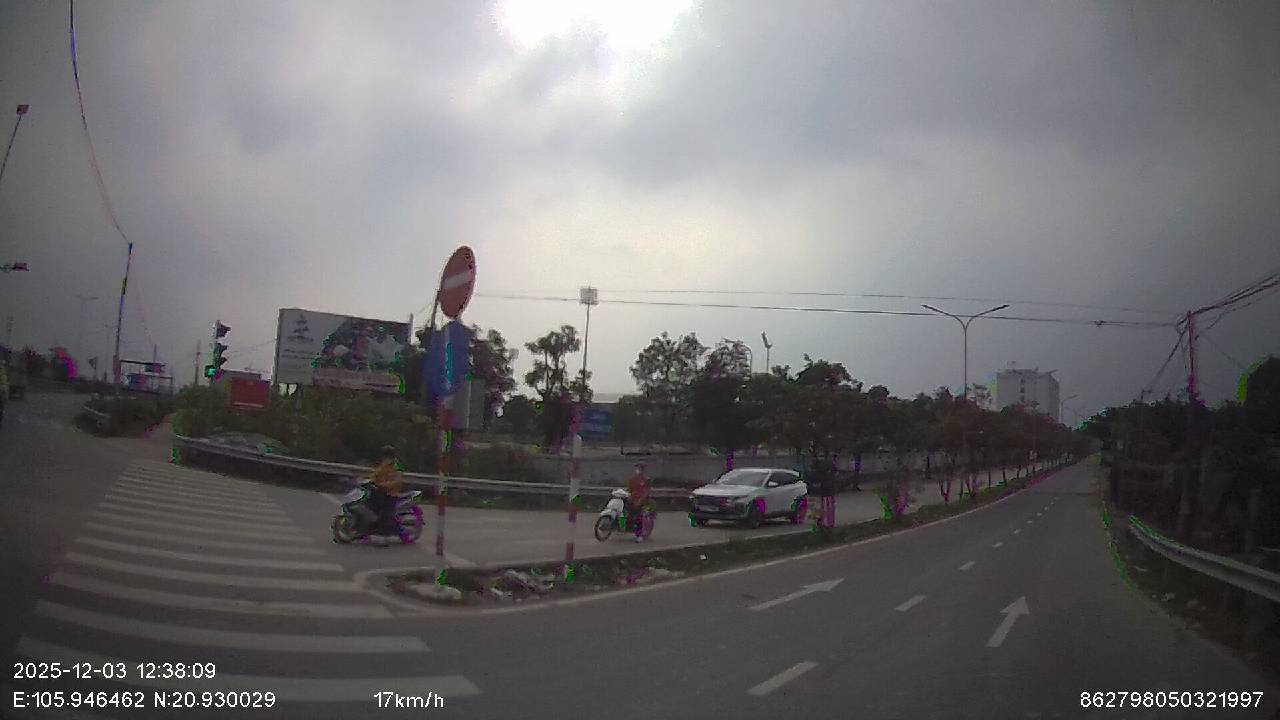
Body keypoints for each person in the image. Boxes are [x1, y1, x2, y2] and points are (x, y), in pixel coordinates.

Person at [367, 445, 404, 543]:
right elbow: (377, 473)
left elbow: (397, 481)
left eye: (387, 456)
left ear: (391, 457)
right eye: (384, 456)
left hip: (392, 493)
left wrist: (383, 485)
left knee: (385, 514)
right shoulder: (384, 464)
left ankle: (385, 536)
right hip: (382, 491)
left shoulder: (397, 466)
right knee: (370, 505)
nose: (385, 459)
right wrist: (369, 479)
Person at [625, 462, 652, 542]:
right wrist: (628, 495)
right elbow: (629, 489)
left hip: (642, 500)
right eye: (638, 468)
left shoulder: (646, 479)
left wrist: (641, 500)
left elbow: (647, 491)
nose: (639, 470)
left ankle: (639, 535)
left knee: (639, 517)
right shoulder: (632, 479)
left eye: (641, 468)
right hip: (632, 499)